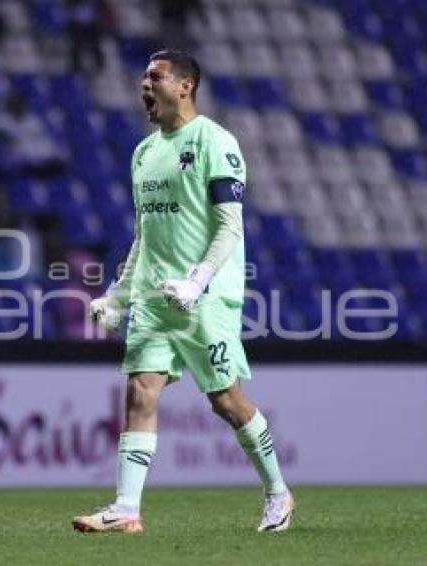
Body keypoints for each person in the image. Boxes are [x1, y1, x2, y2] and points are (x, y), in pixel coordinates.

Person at [72, 50, 294, 534]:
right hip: (155, 297)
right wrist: (118, 295)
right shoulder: (143, 152)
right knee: (140, 390)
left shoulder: (216, 141)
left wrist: (197, 281)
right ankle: (126, 509)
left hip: (206, 298)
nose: (143, 85)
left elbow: (230, 226)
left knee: (226, 401)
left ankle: (278, 492)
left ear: (185, 85)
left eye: (155, 77)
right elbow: (145, 236)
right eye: (143, 77)